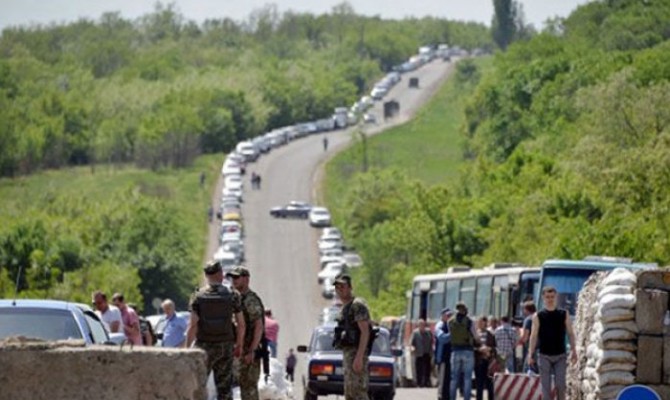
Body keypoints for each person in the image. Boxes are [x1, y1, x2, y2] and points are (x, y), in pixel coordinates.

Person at [186, 260, 245, 400]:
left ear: (206, 275)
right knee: (224, 389)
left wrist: (187, 349)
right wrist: (239, 345)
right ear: (220, 274)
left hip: (203, 347)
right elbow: (241, 324)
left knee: (198, 386)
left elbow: (193, 325)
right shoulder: (233, 294)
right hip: (226, 345)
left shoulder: (197, 296)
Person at [528, 286, 578, 400]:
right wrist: (530, 354)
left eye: (552, 297)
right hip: (544, 355)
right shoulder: (538, 316)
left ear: (556, 297)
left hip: (560, 355)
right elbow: (533, 335)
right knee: (546, 388)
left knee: (561, 385)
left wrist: (574, 350)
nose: (550, 299)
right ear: (543, 298)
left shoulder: (564, 314)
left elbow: (570, 333)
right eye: (547, 297)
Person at [228, 266, 265, 400]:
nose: (234, 280)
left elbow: (259, 326)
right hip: (237, 350)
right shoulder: (234, 298)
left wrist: (252, 350)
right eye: (232, 277)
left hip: (248, 352)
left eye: (237, 277)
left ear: (246, 279)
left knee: (248, 390)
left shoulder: (250, 300)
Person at [333, 274, 371, 400]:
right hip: (348, 354)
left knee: (358, 393)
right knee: (349, 393)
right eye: (337, 287)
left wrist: (359, 357)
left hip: (356, 354)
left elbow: (365, 332)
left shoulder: (357, 305)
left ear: (350, 287)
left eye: (343, 287)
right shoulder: (345, 308)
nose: (339, 290)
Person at [448, 302, 478, 400]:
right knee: (467, 377)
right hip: (467, 351)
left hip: (455, 351)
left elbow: (450, 335)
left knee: (454, 378)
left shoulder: (450, 321)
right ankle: (466, 398)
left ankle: (452, 398)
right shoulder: (469, 321)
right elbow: (475, 336)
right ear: (465, 309)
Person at [474, 316, 495, 400]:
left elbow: (495, 347)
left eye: (485, 322)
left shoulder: (491, 334)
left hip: (488, 362)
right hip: (479, 361)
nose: (484, 324)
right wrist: (479, 349)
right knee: (479, 383)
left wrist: (490, 349)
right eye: (481, 322)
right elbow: (471, 347)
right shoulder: (475, 335)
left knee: (489, 383)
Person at [434, 308, 453, 400]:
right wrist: (453, 334)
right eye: (447, 316)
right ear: (442, 316)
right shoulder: (440, 325)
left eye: (450, 315)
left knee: (448, 379)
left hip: (450, 357)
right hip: (442, 357)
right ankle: (441, 396)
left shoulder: (450, 325)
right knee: (442, 379)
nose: (449, 317)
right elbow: (442, 338)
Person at [411, 318, 433, 387]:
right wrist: (412, 348)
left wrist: (431, 350)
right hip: (419, 353)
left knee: (427, 369)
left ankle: (427, 382)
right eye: (420, 325)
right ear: (418, 325)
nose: (422, 326)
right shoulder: (415, 333)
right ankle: (419, 383)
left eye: (423, 324)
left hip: (427, 353)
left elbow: (432, 341)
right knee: (419, 369)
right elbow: (411, 342)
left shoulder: (428, 332)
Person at [518, 301, 537, 373]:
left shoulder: (528, 320)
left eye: (524, 309)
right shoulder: (540, 318)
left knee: (527, 371)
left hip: (531, 350)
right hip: (542, 351)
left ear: (526, 309)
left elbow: (525, 337)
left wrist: (519, 338)